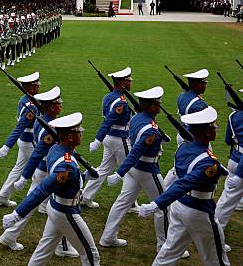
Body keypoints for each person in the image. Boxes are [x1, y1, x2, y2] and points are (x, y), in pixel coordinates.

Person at [2, 112, 101, 266]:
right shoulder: (66, 163)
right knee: (91, 253)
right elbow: (42, 190)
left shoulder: (56, 149)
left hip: (56, 206)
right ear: (70, 137)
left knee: (44, 249)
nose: (81, 134)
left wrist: (83, 175)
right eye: (78, 132)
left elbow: (67, 180)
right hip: (66, 211)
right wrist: (17, 214)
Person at [141, 106, 231, 265]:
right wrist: (156, 204)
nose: (215, 130)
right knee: (216, 258)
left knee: (169, 252)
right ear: (207, 132)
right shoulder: (208, 161)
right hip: (199, 210)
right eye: (213, 127)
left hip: (179, 206)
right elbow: (184, 183)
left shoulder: (183, 148)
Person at [0, 87, 78, 258]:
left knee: (38, 206)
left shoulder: (43, 121)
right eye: (58, 103)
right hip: (46, 171)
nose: (61, 105)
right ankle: (63, 246)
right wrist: (24, 177)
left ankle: (10, 235)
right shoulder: (48, 128)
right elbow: (37, 153)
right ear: (51, 107)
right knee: (62, 207)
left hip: (44, 170)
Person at [100, 86, 172, 253]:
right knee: (164, 205)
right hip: (147, 168)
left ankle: (108, 236)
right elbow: (137, 151)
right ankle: (165, 246)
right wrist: (119, 173)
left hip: (134, 169)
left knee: (122, 202)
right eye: (158, 103)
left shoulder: (137, 118)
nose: (160, 106)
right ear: (153, 106)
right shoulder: (150, 130)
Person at [81, 67, 133, 208]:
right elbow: (108, 121)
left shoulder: (108, 97)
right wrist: (97, 140)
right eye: (128, 81)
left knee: (103, 169)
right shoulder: (121, 102)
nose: (130, 83)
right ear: (121, 83)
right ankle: (131, 205)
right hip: (120, 138)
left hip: (109, 138)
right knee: (129, 171)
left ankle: (86, 197)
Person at [0, 72, 40, 209]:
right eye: (36, 86)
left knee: (18, 169)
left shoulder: (25, 99)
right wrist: (7, 146)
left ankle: (2, 197)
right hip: (29, 141)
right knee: (39, 171)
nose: (39, 88)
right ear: (31, 88)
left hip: (25, 141)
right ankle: (34, 203)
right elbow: (20, 127)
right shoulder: (30, 106)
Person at [214, 87, 243, 235]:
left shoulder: (234, 116)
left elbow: (228, 140)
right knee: (226, 203)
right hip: (241, 166)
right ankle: (215, 233)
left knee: (228, 198)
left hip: (235, 159)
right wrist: (240, 174)